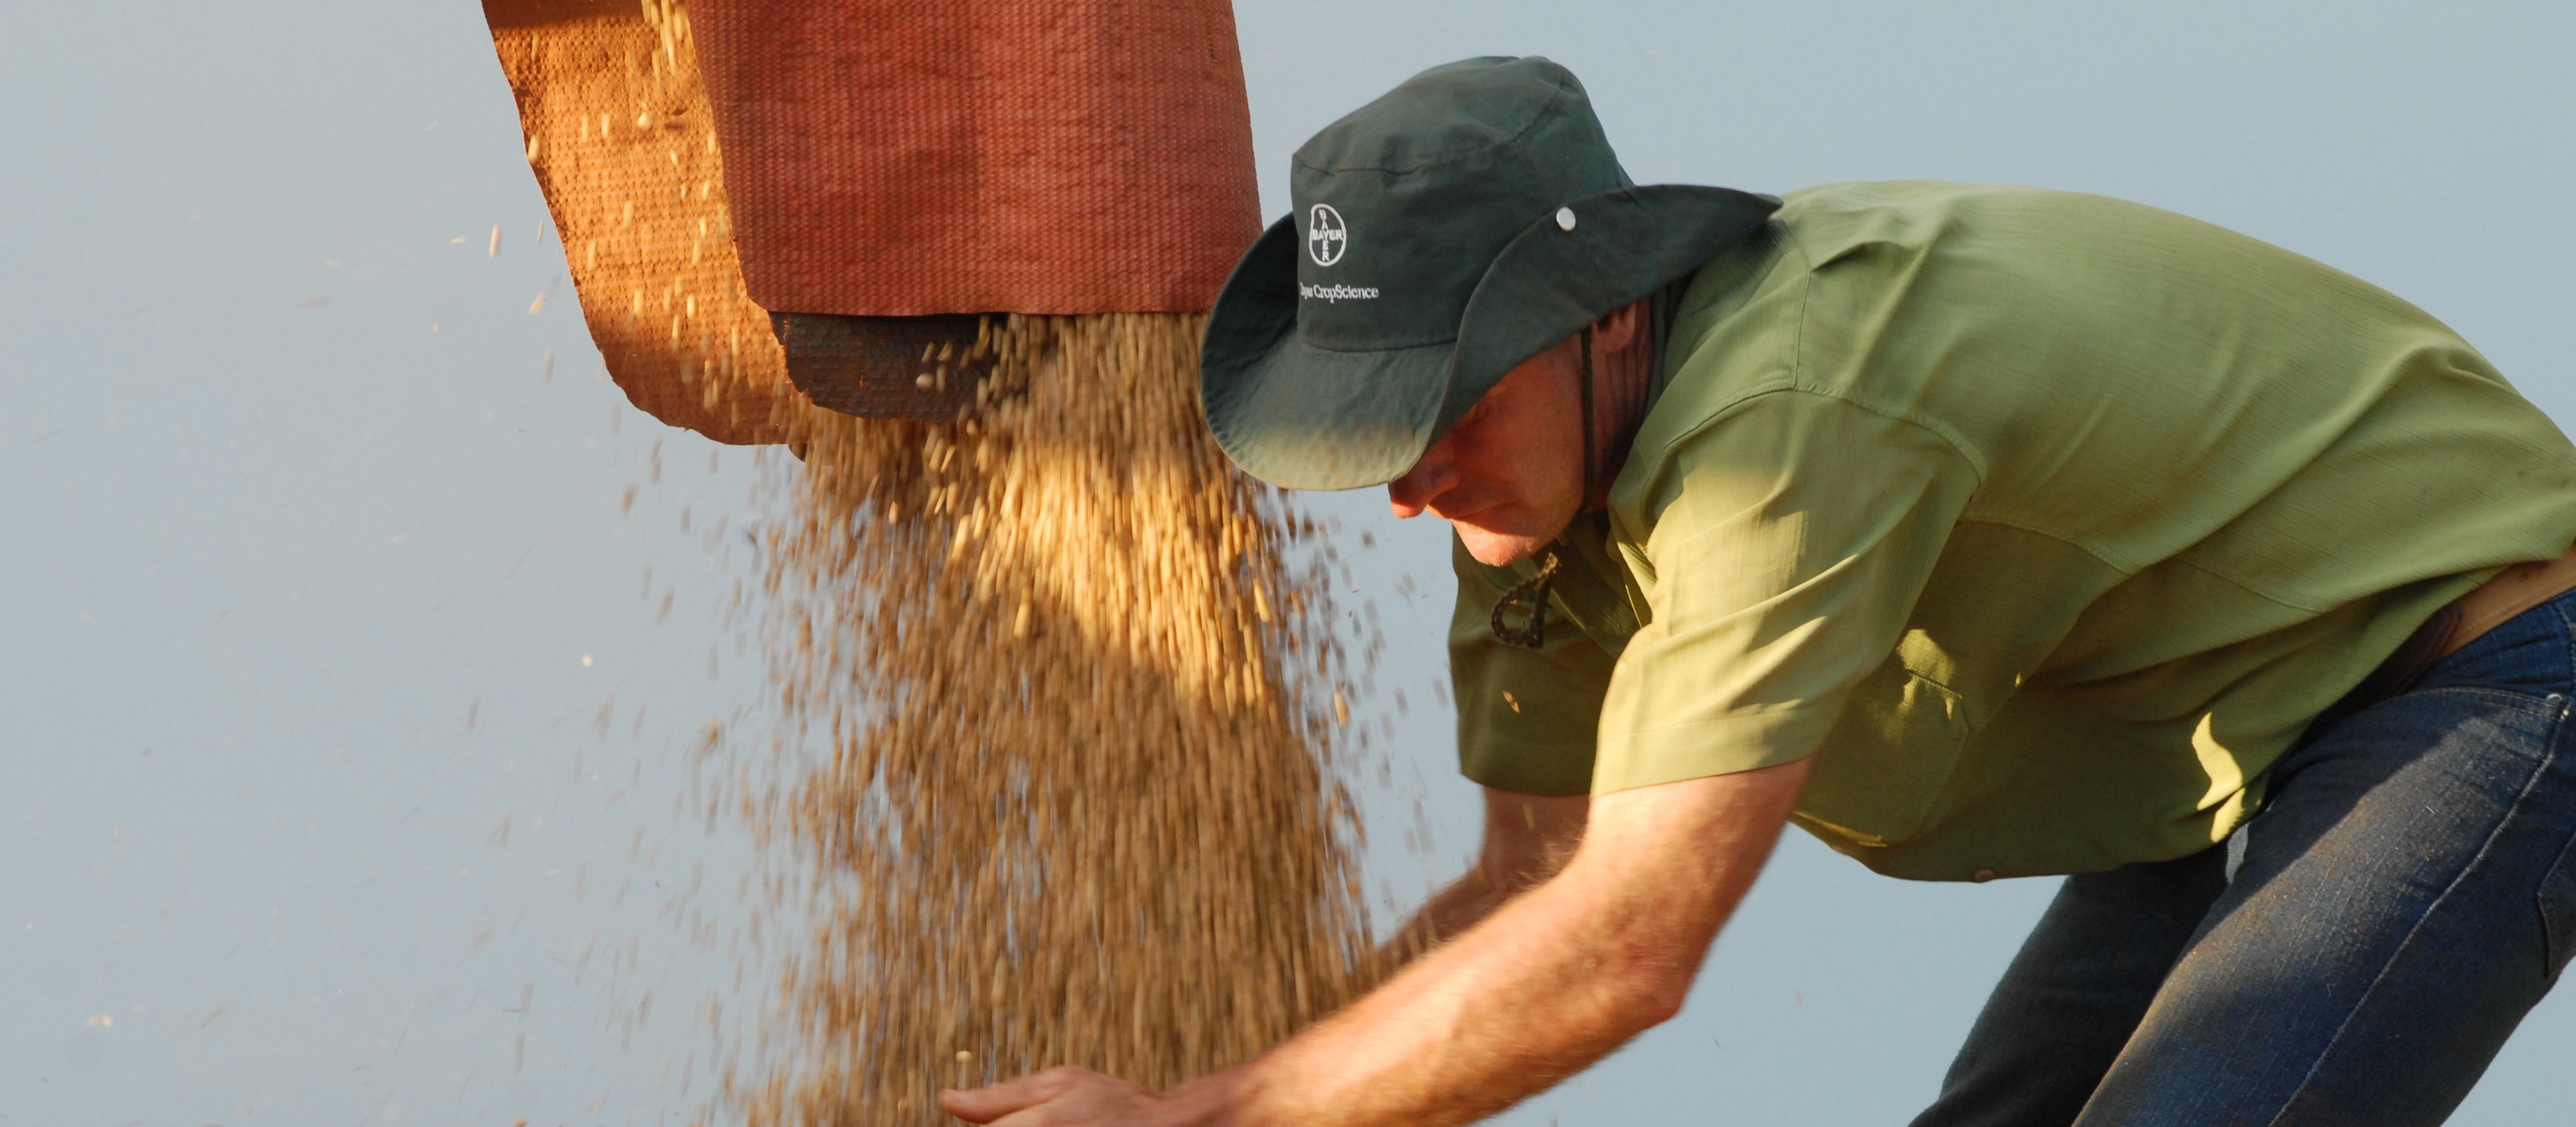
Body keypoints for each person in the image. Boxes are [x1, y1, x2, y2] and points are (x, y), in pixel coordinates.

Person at [942, 55, 2576, 1126]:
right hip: (2223, 731)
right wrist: (1205, 1065)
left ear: (1596, 312)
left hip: (2482, 672)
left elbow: (1625, 945)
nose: (1406, 480)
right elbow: (1538, 888)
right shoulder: (1527, 504)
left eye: (1440, 410)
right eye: (1371, 431)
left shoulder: (1780, 420)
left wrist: (1202, 1119)